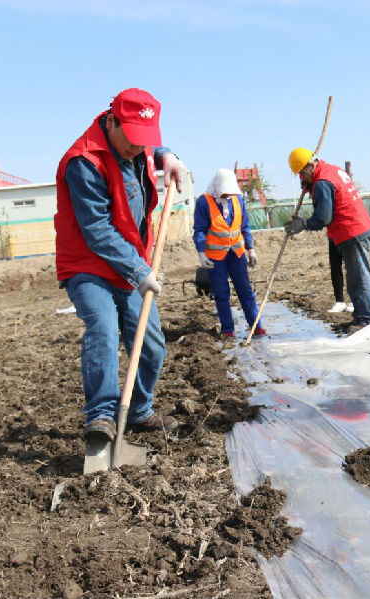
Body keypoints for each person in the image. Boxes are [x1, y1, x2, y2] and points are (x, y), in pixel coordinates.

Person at [54, 88, 187, 442]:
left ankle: (139, 410)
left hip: (129, 263)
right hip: (88, 264)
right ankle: (101, 417)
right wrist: (140, 271)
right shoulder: (83, 162)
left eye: (145, 139)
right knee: (102, 327)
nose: (137, 146)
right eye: (131, 137)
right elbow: (97, 230)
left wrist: (168, 156)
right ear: (111, 121)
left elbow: (151, 149)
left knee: (152, 343)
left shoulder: (138, 146)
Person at [284, 148, 370, 327]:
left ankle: (368, 320)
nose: (301, 178)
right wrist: (310, 187)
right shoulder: (332, 170)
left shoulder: (322, 182)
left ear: (310, 166)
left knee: (360, 279)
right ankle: (361, 318)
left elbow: (323, 218)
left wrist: (303, 224)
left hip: (352, 232)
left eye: (302, 173)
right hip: (358, 229)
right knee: (355, 279)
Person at [193, 169, 266, 338]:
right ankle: (227, 329)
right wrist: (201, 253)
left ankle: (256, 326)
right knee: (221, 294)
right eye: (224, 193)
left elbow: (244, 226)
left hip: (236, 254)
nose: (227, 196)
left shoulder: (238, 200)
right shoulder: (204, 202)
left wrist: (251, 250)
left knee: (245, 291)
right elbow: (199, 230)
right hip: (215, 257)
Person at [327, 240, 354, 313]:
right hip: (333, 237)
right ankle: (339, 301)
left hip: (349, 238)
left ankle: (355, 302)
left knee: (353, 269)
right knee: (335, 267)